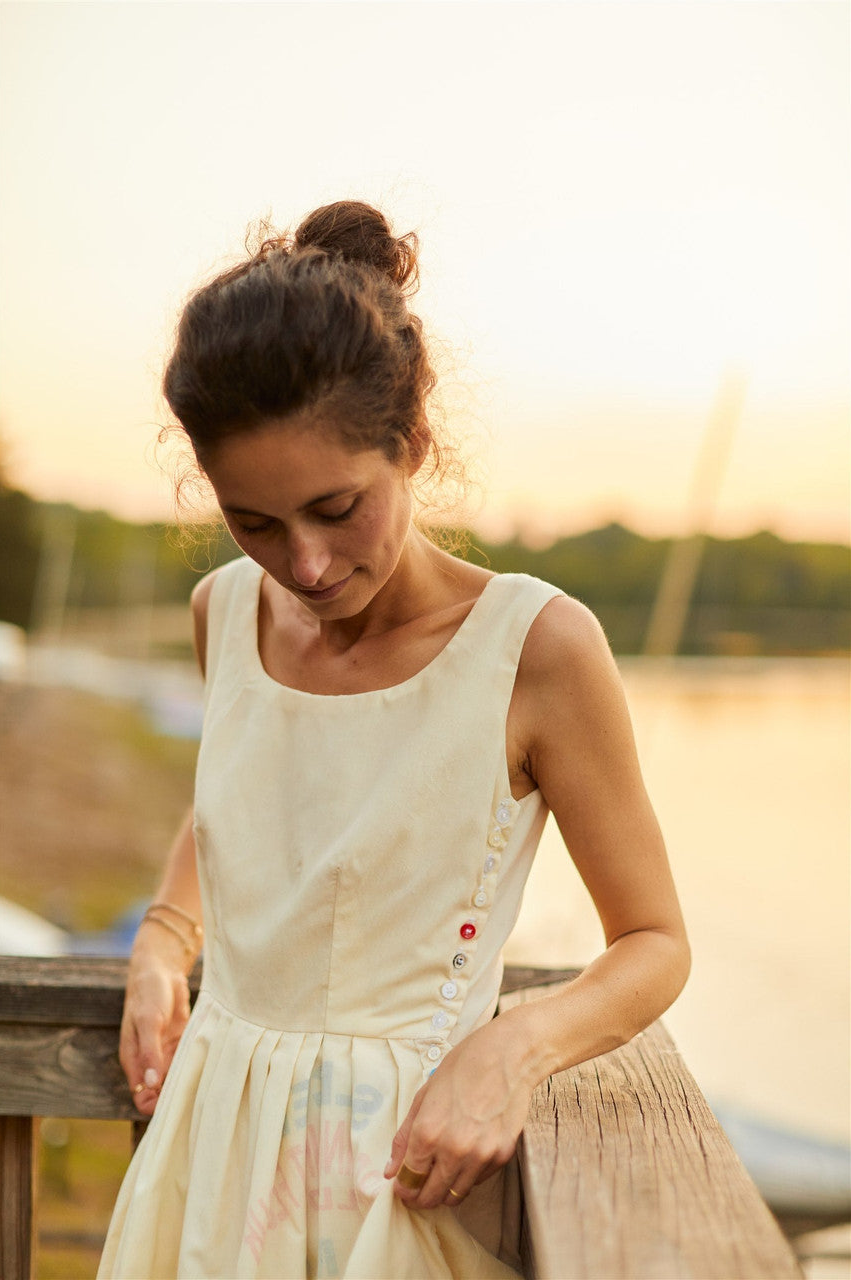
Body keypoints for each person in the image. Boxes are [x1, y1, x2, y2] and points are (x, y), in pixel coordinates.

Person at [98, 200, 690, 1280]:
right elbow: (236, 799)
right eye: (256, 522)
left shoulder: (537, 648)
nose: (307, 565)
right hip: (206, 1148)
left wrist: (513, 1046)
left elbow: (653, 941)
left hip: (399, 1179)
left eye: (336, 506)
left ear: (411, 443)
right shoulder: (220, 611)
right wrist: (161, 937)